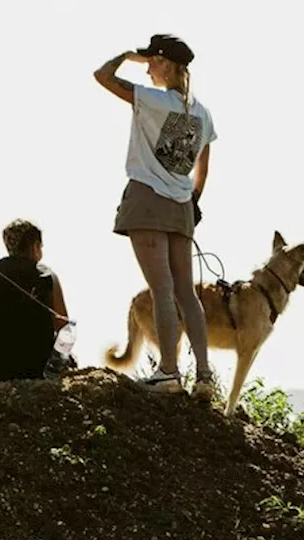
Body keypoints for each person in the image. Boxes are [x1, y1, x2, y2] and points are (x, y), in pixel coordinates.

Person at [93, 34, 218, 398]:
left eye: (152, 60)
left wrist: (127, 56)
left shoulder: (152, 99)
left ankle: (168, 372)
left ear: (166, 63)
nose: (147, 67)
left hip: (147, 200)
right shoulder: (203, 113)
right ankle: (205, 376)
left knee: (161, 289)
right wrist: (191, 202)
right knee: (186, 293)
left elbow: (102, 76)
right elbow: (203, 171)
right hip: (182, 205)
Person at [0, 219, 73, 382]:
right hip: (38, 366)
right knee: (71, 360)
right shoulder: (48, 276)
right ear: (35, 246)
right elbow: (63, 327)